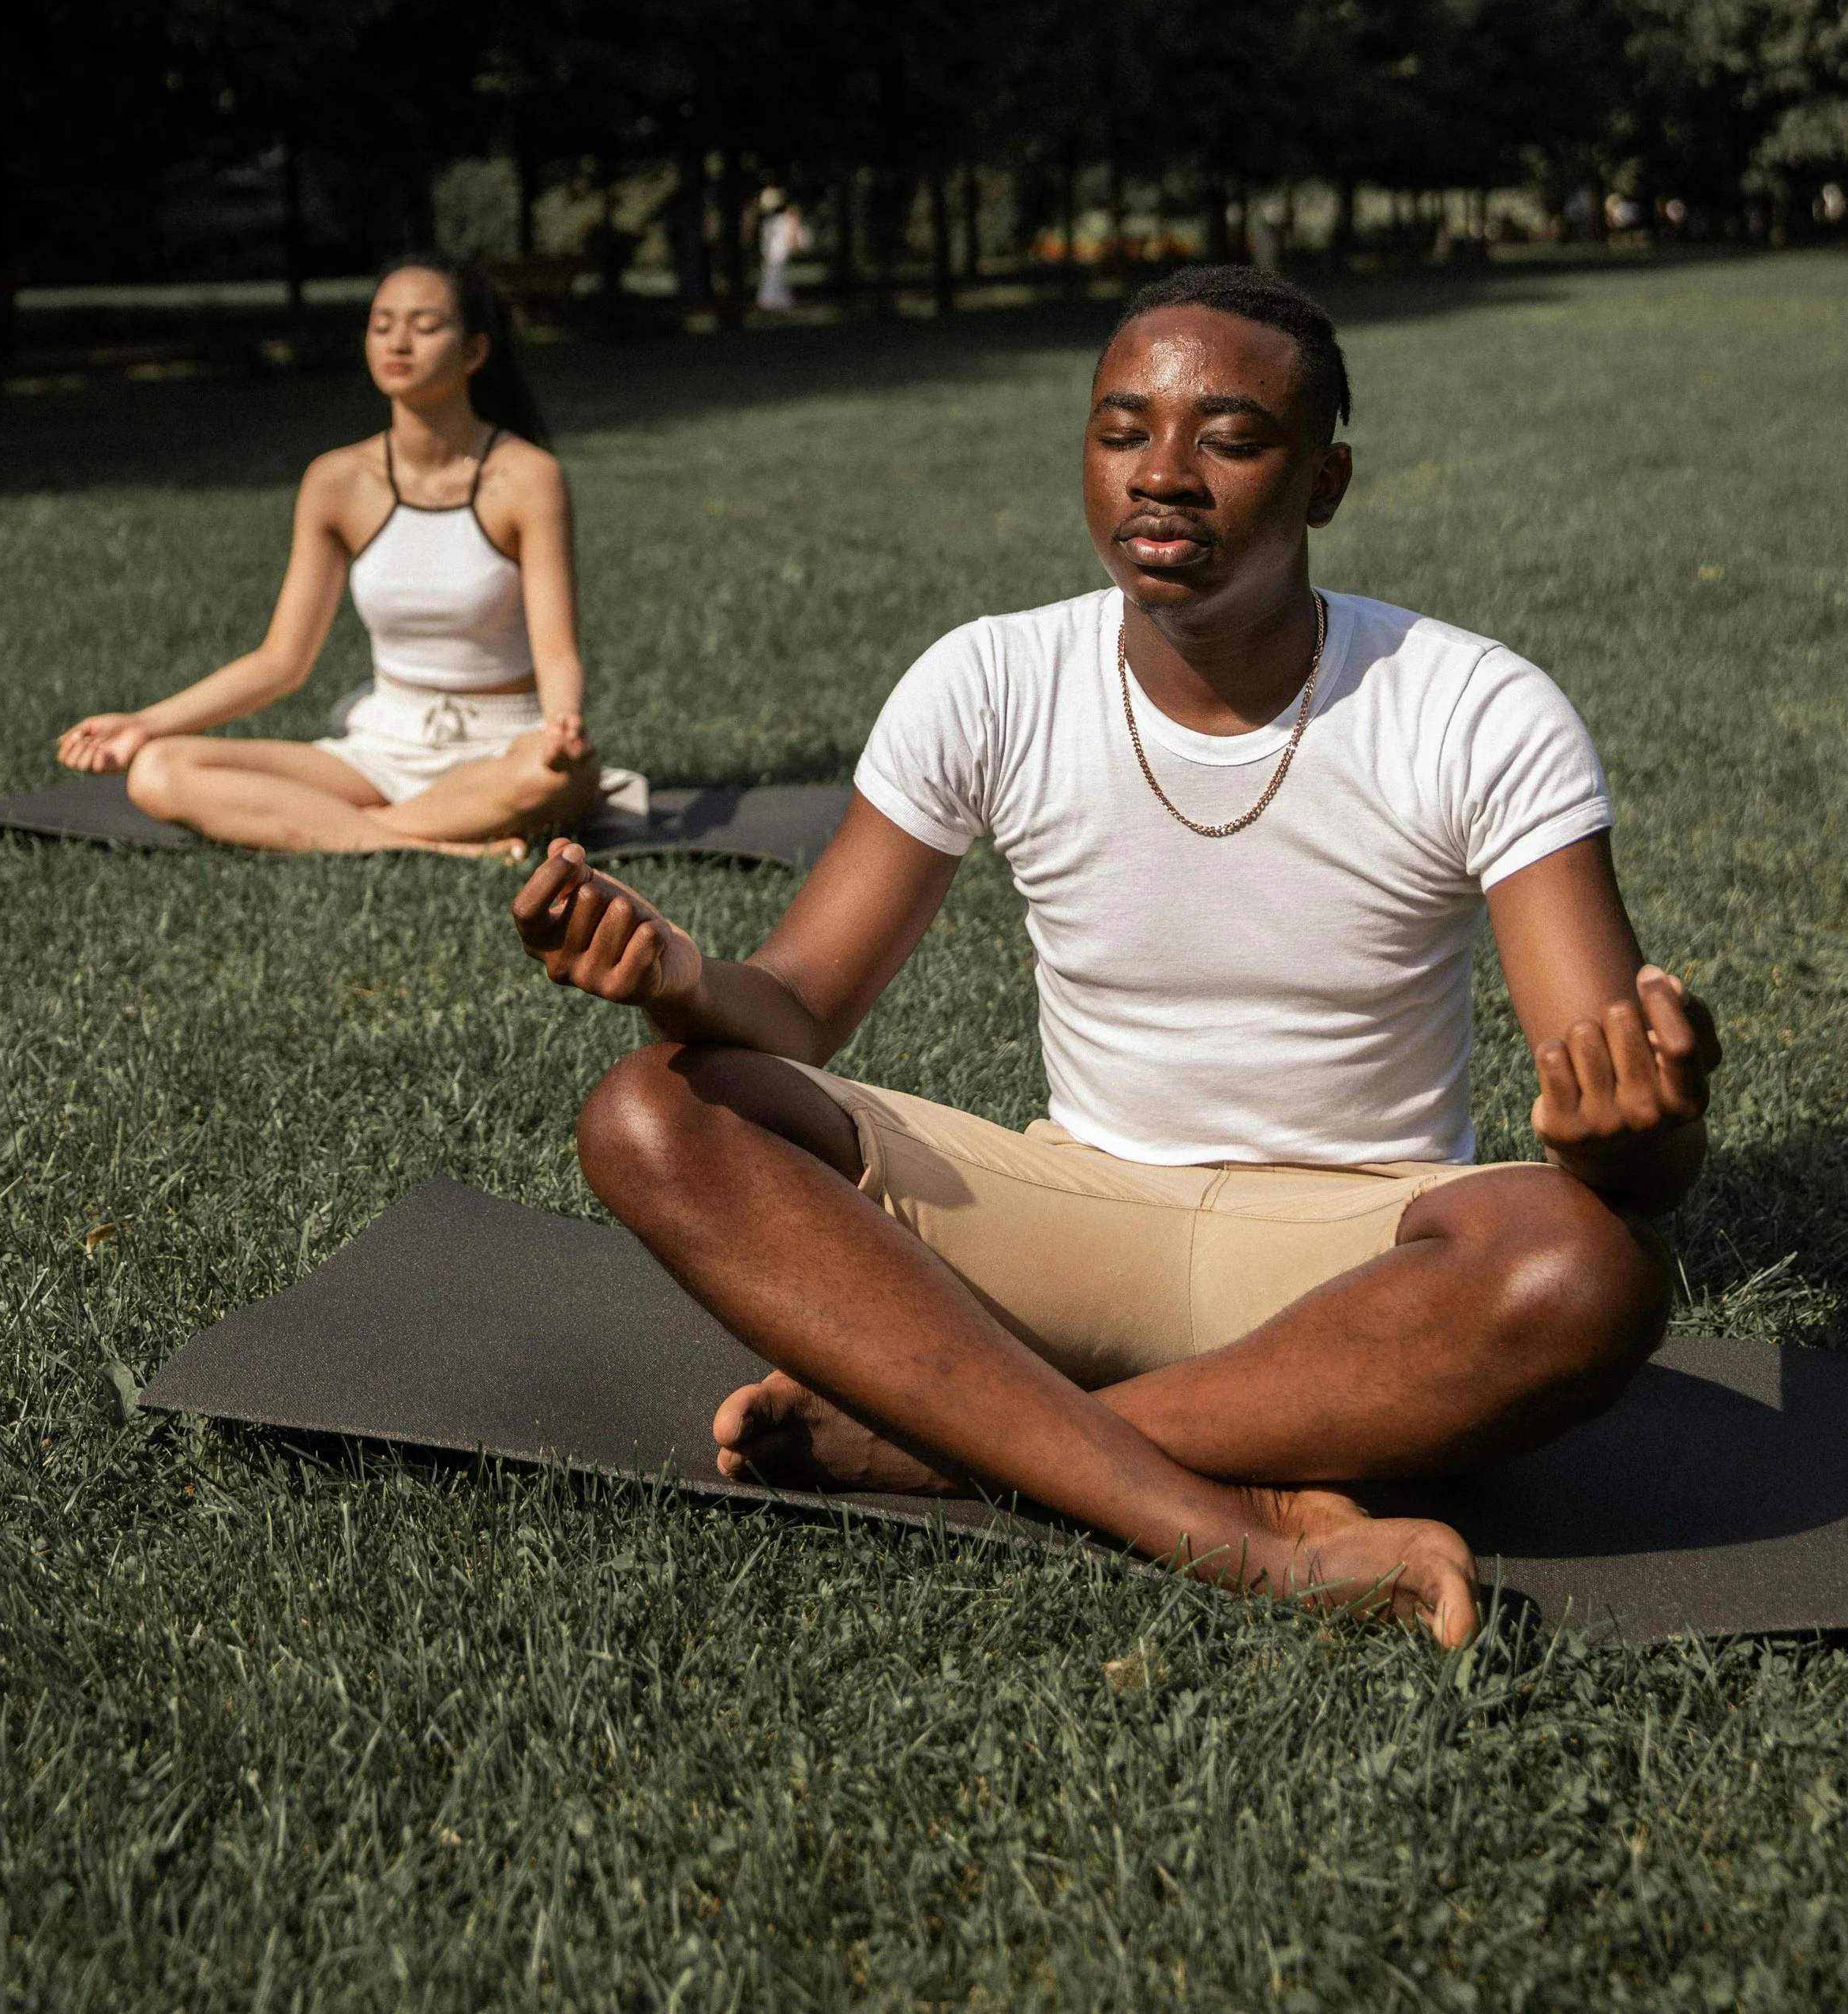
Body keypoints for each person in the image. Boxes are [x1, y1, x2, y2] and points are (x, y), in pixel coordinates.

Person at [511, 265, 1720, 1647]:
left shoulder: (1474, 707)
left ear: (1324, 483)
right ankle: (1222, 1524)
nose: (1164, 474)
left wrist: (1640, 1133)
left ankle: (945, 1445)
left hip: (1354, 1255)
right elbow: (793, 1007)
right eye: (1121, 427)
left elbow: (1629, 1142)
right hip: (1067, 1213)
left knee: (1586, 1270)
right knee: (654, 1108)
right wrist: (679, 979)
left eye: (1231, 437)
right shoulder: (992, 680)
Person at [58, 255, 624, 857]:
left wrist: (563, 724)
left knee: (554, 775)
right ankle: (435, 840)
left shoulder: (528, 477)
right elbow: (280, 662)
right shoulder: (336, 481)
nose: (398, 341)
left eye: (425, 326)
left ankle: (351, 831)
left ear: (475, 352)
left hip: (501, 747)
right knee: (158, 769)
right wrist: (144, 724)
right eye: (381, 325)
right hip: (380, 748)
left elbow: (557, 650)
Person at [753, 188, 807, 313]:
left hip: (777, 257)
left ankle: (775, 303)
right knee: (773, 279)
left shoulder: (781, 221)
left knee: (775, 279)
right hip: (774, 258)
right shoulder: (770, 222)